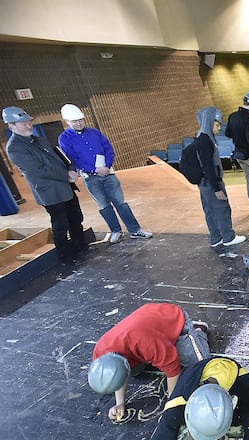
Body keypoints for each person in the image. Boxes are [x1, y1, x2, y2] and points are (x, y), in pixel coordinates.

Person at [88, 303, 210, 421]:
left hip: (173, 319)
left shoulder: (145, 343)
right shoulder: (99, 354)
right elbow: (118, 373)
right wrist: (120, 403)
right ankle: (160, 347)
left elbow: (172, 368)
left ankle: (198, 331)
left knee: (202, 365)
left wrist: (171, 403)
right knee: (136, 371)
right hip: (147, 329)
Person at [57, 104, 153, 243]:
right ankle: (115, 231)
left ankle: (135, 230)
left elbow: (108, 149)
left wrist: (107, 166)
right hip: (90, 177)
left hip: (108, 173)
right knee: (104, 205)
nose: (79, 123)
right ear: (67, 121)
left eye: (81, 120)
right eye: (75, 121)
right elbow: (73, 159)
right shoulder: (64, 138)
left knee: (121, 203)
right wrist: (94, 169)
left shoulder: (94, 132)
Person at [3, 106, 87, 265]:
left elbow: (59, 156)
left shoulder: (37, 139)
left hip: (65, 187)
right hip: (50, 193)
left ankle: (80, 247)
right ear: (12, 126)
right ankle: (65, 257)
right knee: (60, 224)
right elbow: (39, 170)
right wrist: (66, 175)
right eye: (24, 124)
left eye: (29, 122)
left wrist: (70, 168)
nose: (29, 125)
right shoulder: (15, 148)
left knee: (76, 218)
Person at [150, 356, 249, 440]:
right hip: (191, 382)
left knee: (239, 432)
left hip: (233, 401)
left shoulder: (244, 384)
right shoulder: (177, 402)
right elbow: (163, 432)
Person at [195, 106, 246, 247]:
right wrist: (217, 188)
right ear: (209, 122)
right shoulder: (205, 140)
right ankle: (229, 237)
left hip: (204, 182)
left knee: (209, 209)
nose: (218, 128)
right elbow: (208, 166)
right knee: (221, 208)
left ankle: (215, 237)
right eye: (217, 125)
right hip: (211, 182)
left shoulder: (201, 137)